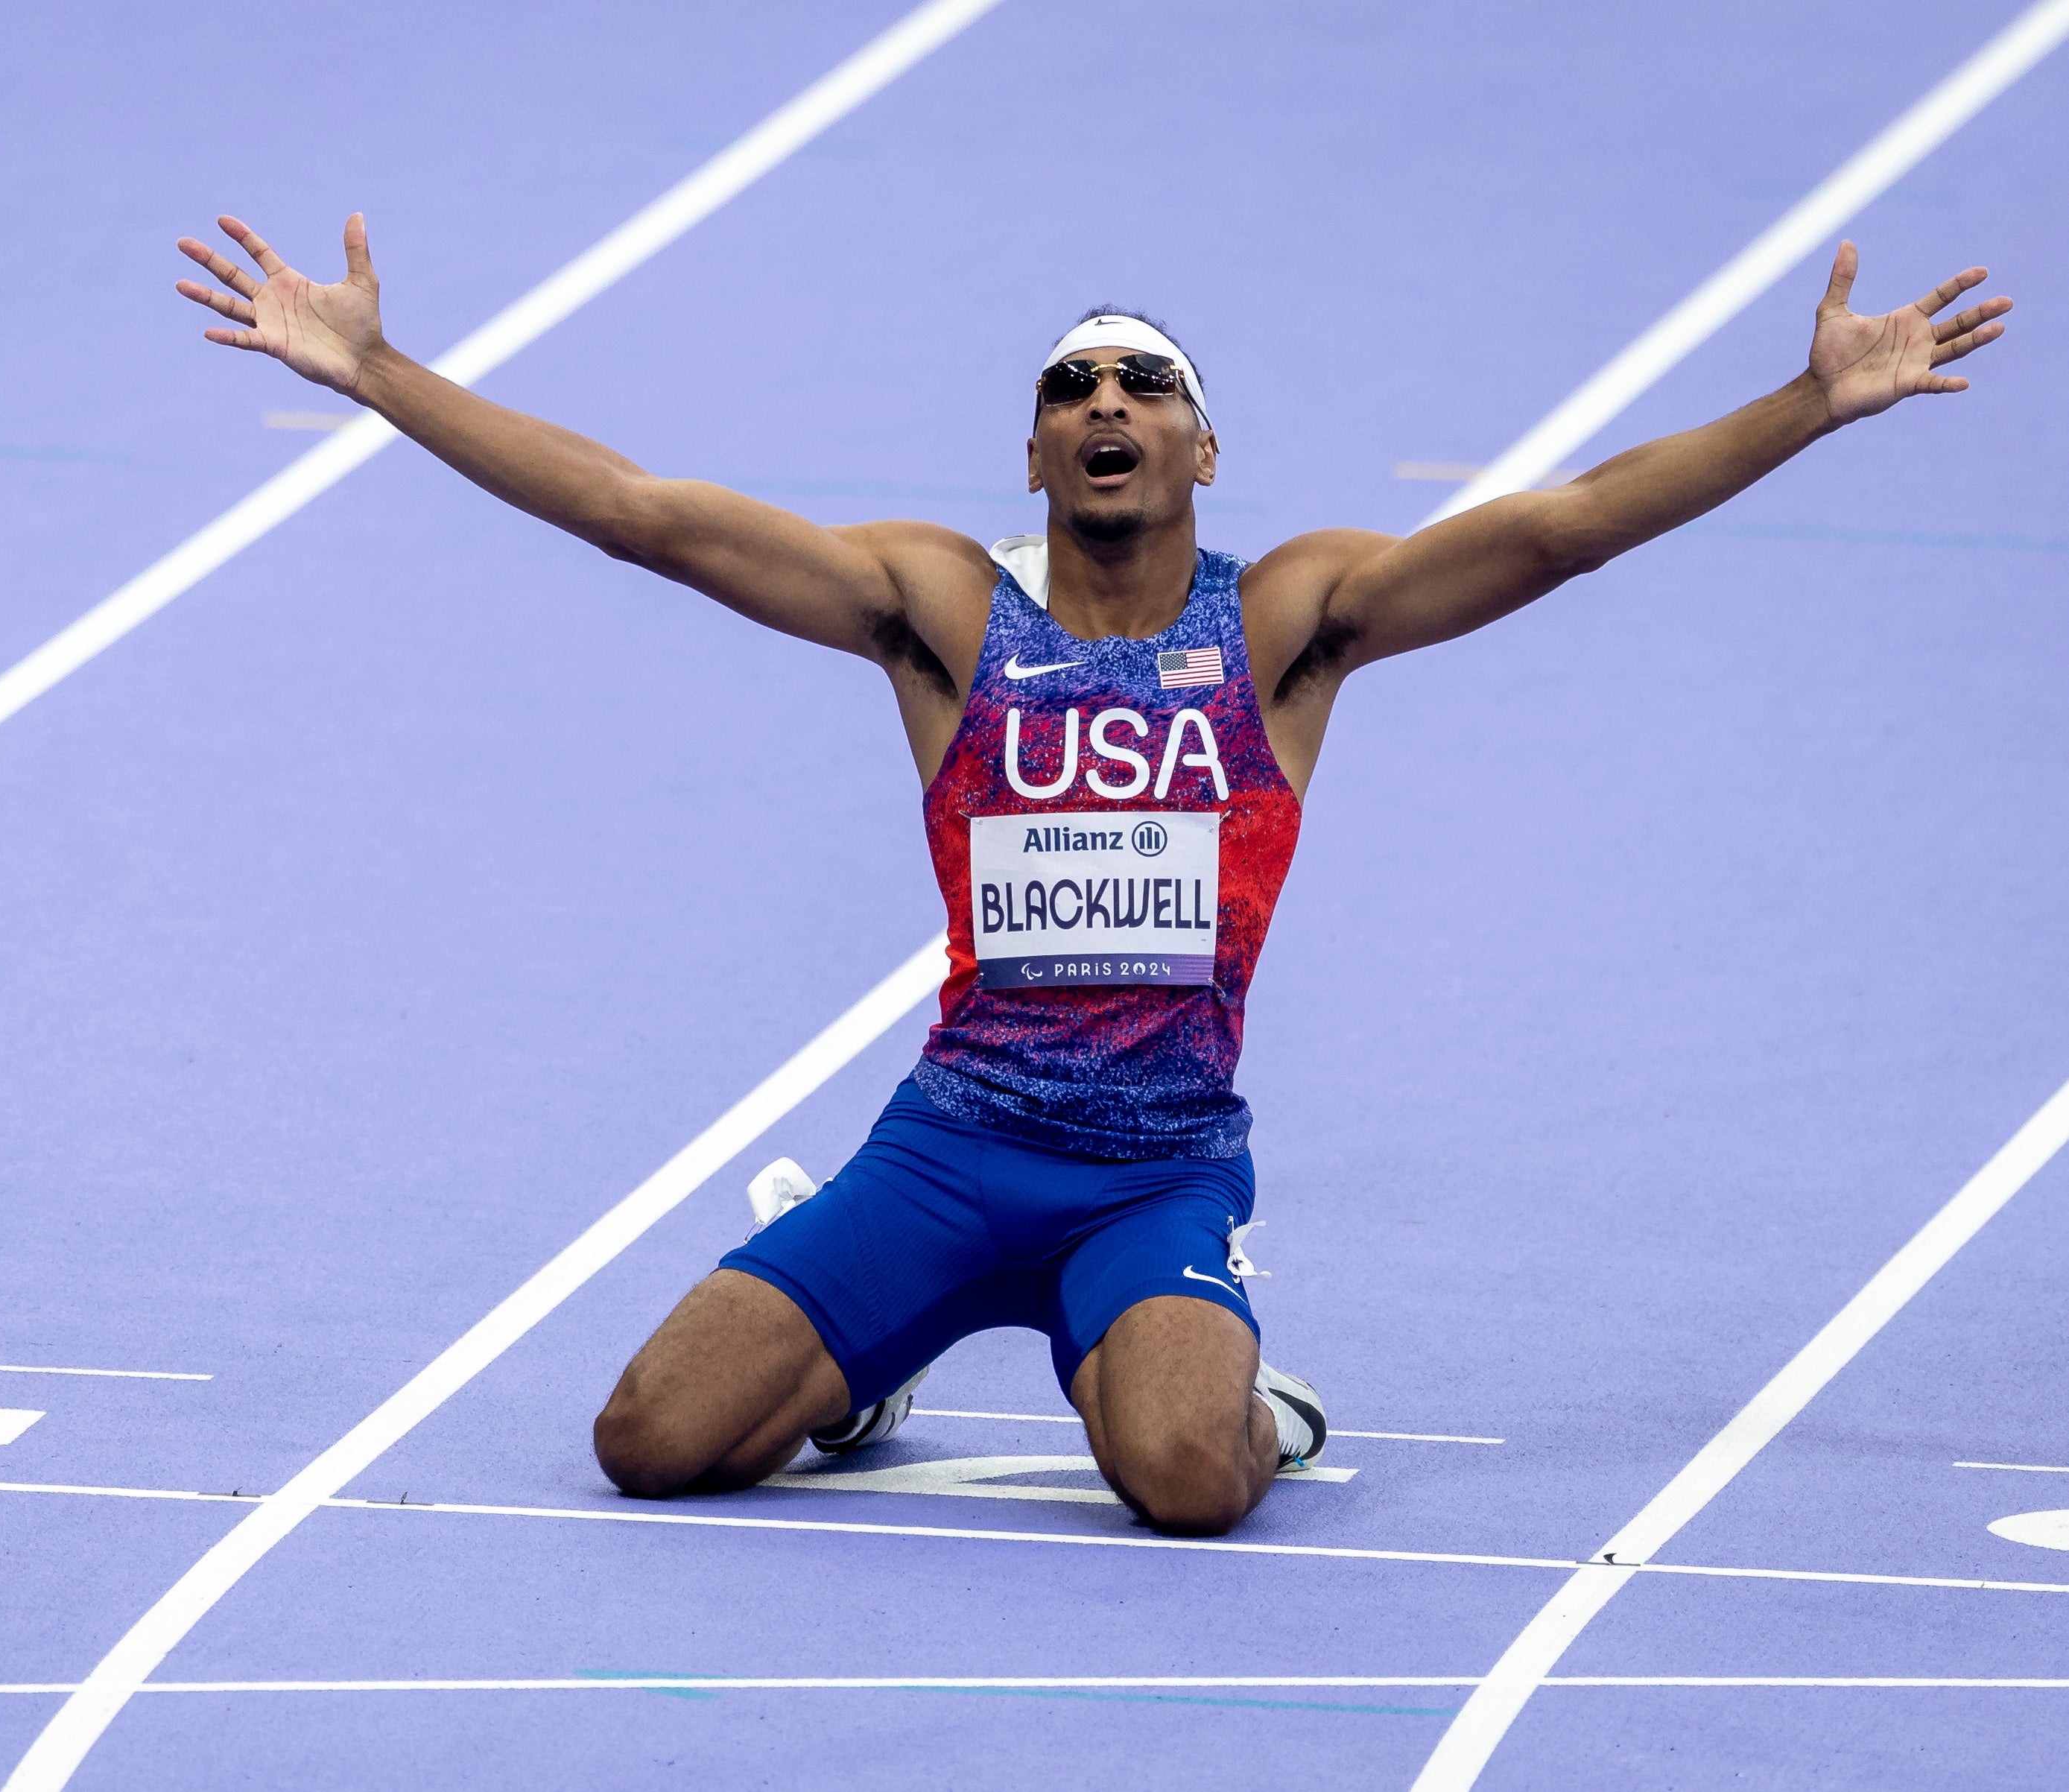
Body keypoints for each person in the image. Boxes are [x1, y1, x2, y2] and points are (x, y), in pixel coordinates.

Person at [174, 212, 2008, 1535]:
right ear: (1037, 448)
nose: (1105, 398)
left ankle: (1244, 1390)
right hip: (947, 1147)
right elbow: (641, 516)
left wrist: (1805, 403)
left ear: (1201, 448)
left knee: (1192, 1487)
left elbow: (1561, 533)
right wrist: (379, 376)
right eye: (1071, 384)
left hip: (1153, 1172)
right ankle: (865, 1370)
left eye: (1144, 382)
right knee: (648, 1446)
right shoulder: (939, 611)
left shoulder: (1287, 623)